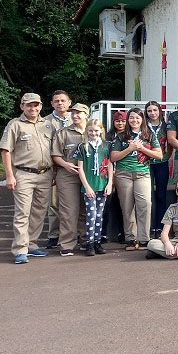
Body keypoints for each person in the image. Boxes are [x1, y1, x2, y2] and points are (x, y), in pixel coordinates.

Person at [0, 93, 55, 263]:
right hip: (23, 174)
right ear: (22, 106)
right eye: (29, 105)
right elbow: (5, 151)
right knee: (23, 212)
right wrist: (10, 176)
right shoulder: (15, 125)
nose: (33, 108)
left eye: (36, 105)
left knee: (39, 212)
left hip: (45, 174)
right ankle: (20, 249)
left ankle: (31, 244)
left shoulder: (47, 125)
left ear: (40, 106)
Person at [110, 107, 161, 250]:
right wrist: (130, 148)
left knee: (145, 204)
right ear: (128, 120)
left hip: (142, 173)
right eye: (131, 117)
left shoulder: (148, 134)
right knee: (127, 207)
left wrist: (142, 149)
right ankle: (131, 239)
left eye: (137, 118)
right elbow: (113, 157)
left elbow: (159, 155)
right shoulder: (121, 136)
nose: (134, 120)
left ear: (142, 119)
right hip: (124, 174)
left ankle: (144, 238)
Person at [50, 103, 88, 256]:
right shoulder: (63, 133)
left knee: (86, 209)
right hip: (68, 175)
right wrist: (66, 165)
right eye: (73, 113)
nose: (75, 116)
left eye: (79, 113)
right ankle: (67, 243)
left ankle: (86, 239)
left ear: (87, 114)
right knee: (68, 210)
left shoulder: (93, 131)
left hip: (89, 176)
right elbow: (55, 155)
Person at [75, 118, 112, 255]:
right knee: (91, 214)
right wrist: (87, 186)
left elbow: (109, 165)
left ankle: (97, 242)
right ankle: (89, 243)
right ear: (87, 131)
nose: (93, 133)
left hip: (102, 185)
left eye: (96, 130)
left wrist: (109, 183)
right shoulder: (83, 146)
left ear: (101, 130)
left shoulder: (106, 145)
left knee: (99, 215)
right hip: (89, 186)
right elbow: (80, 168)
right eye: (90, 130)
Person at [45, 90, 73, 249]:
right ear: (52, 104)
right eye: (57, 101)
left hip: (74, 166)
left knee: (74, 203)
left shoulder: (77, 118)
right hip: (54, 166)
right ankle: (54, 234)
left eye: (63, 100)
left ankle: (73, 232)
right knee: (54, 203)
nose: (60, 103)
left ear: (69, 102)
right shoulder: (45, 122)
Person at [145, 100, 171, 237]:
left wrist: (167, 156)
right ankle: (148, 227)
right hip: (146, 164)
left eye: (155, 110)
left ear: (160, 111)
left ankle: (160, 226)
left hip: (162, 162)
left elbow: (171, 143)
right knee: (147, 196)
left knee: (161, 195)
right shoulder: (143, 126)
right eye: (149, 111)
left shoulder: (166, 126)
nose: (152, 113)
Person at [101, 110, 127, 243]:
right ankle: (103, 233)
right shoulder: (108, 136)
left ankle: (123, 232)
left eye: (123, 121)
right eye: (118, 121)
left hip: (124, 173)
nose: (120, 123)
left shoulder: (129, 135)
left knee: (122, 204)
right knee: (106, 204)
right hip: (108, 173)